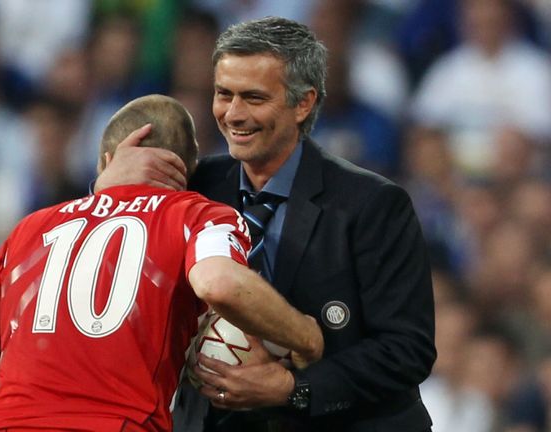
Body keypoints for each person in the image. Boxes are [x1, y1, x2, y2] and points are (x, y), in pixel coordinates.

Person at [96, 17, 436, 431]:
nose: (233, 114)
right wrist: (108, 186)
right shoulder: (192, 188)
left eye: (254, 98)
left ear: (303, 103)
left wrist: (294, 388)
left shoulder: (372, 205)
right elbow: (104, 260)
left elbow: (406, 351)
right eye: (224, 94)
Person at [0, 94, 324, 432]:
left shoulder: (27, 231)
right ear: (187, 167)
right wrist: (305, 336)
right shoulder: (197, 214)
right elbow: (219, 283)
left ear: (107, 160)